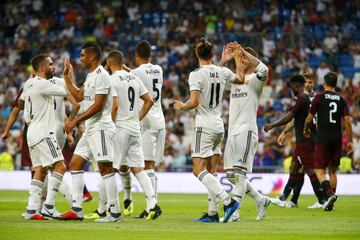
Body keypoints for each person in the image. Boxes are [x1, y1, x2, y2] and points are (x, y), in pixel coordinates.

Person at [173, 38, 243, 223]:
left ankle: (228, 201)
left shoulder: (195, 74)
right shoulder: (223, 71)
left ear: (197, 54)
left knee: (198, 170)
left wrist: (182, 106)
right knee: (211, 171)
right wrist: (234, 58)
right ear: (213, 55)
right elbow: (241, 79)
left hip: (204, 125)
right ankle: (212, 213)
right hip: (219, 125)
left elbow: (194, 102)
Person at [59, 42, 121, 222]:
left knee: (105, 167)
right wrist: (67, 78)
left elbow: (98, 106)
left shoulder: (102, 75)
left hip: (101, 126)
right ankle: (77, 209)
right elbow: (79, 96)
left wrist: (75, 120)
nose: (80, 58)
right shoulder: (91, 75)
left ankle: (115, 213)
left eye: (83, 55)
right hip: (91, 129)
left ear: (93, 56)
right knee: (75, 164)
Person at [220, 43, 272, 221]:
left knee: (240, 174)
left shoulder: (256, 80)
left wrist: (242, 52)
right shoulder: (236, 79)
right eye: (240, 57)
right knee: (231, 175)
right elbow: (216, 80)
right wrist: (222, 61)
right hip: (232, 132)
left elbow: (264, 69)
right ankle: (261, 200)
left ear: (250, 61)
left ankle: (234, 213)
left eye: (244, 58)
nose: (240, 59)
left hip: (246, 130)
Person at [108, 50, 162, 219]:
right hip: (135, 128)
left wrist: (111, 124)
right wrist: (137, 118)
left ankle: (108, 209)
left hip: (121, 128)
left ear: (109, 64)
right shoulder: (134, 78)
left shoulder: (112, 79)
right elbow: (149, 101)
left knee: (109, 168)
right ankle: (153, 204)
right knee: (138, 169)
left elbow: (115, 106)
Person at [19, 54, 69, 220]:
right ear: (42, 68)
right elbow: (66, 92)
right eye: (51, 64)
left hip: (31, 132)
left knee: (39, 171)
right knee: (60, 166)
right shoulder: (42, 84)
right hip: (43, 132)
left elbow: (25, 115)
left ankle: (31, 210)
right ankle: (48, 207)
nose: (53, 67)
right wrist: (68, 76)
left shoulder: (28, 84)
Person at [265, 74, 326, 208]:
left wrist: (272, 125)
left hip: (305, 141)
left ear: (296, 86)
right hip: (304, 140)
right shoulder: (308, 99)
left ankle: (322, 200)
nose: (291, 88)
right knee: (294, 168)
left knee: (310, 171)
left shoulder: (301, 98)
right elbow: (296, 119)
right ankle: (284, 198)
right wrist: (284, 132)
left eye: (292, 86)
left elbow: (289, 117)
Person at [303, 72, 353, 211]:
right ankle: (331, 204)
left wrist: (306, 129)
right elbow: (348, 121)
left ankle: (330, 195)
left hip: (323, 139)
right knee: (333, 171)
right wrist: (350, 141)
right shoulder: (342, 100)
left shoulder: (319, 97)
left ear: (324, 83)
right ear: (336, 84)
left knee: (319, 170)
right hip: (337, 139)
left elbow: (309, 118)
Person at [130, 40, 166, 218]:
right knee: (150, 166)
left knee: (146, 166)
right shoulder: (159, 69)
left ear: (136, 56)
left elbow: (133, 77)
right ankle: (152, 204)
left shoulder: (135, 72)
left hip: (147, 122)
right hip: (161, 121)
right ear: (150, 55)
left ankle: (152, 206)